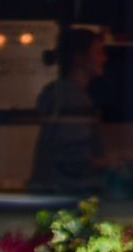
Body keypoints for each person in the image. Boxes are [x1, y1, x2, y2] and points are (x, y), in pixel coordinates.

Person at [31, 26, 107, 193]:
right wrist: (111, 165)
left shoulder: (62, 94)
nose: (104, 58)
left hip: (53, 192)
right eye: (98, 53)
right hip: (67, 195)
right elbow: (74, 160)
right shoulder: (73, 99)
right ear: (79, 59)